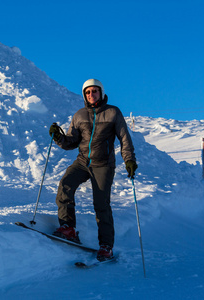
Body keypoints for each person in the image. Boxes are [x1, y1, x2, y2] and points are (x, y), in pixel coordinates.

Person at [49, 79, 137, 261]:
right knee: (65, 184)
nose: (91, 95)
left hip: (103, 164)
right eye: (87, 92)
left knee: (101, 204)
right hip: (82, 162)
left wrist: (129, 160)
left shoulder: (113, 112)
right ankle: (68, 228)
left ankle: (106, 246)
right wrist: (58, 137)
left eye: (94, 91)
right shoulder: (80, 115)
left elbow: (124, 139)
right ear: (84, 95)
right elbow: (71, 142)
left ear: (101, 92)